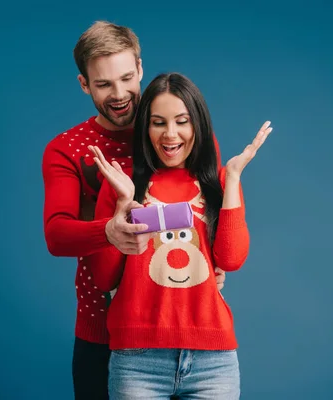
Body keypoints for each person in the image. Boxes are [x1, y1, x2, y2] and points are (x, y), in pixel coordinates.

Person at [41, 21, 226, 399]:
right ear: (84, 85)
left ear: (140, 69)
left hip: (181, 329)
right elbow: (57, 235)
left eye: (127, 78)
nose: (120, 93)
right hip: (101, 328)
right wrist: (107, 231)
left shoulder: (185, 137)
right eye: (104, 83)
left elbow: (214, 213)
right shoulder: (67, 149)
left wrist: (214, 262)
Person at [87, 72, 273, 399]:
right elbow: (104, 278)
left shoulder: (219, 184)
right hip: (136, 359)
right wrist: (121, 207)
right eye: (158, 122)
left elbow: (231, 259)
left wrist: (232, 178)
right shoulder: (121, 185)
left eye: (182, 121)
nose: (170, 134)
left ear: (197, 125)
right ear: (145, 128)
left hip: (212, 361)